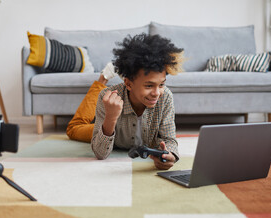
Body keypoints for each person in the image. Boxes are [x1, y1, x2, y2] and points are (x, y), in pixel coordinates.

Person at [66, 33, 184, 170]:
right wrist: (110, 117)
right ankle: (103, 78)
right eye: (149, 86)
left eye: (161, 84)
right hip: (108, 125)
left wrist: (170, 155)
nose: (157, 93)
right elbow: (100, 153)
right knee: (74, 128)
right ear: (128, 83)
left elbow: (170, 140)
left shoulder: (166, 97)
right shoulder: (108, 97)